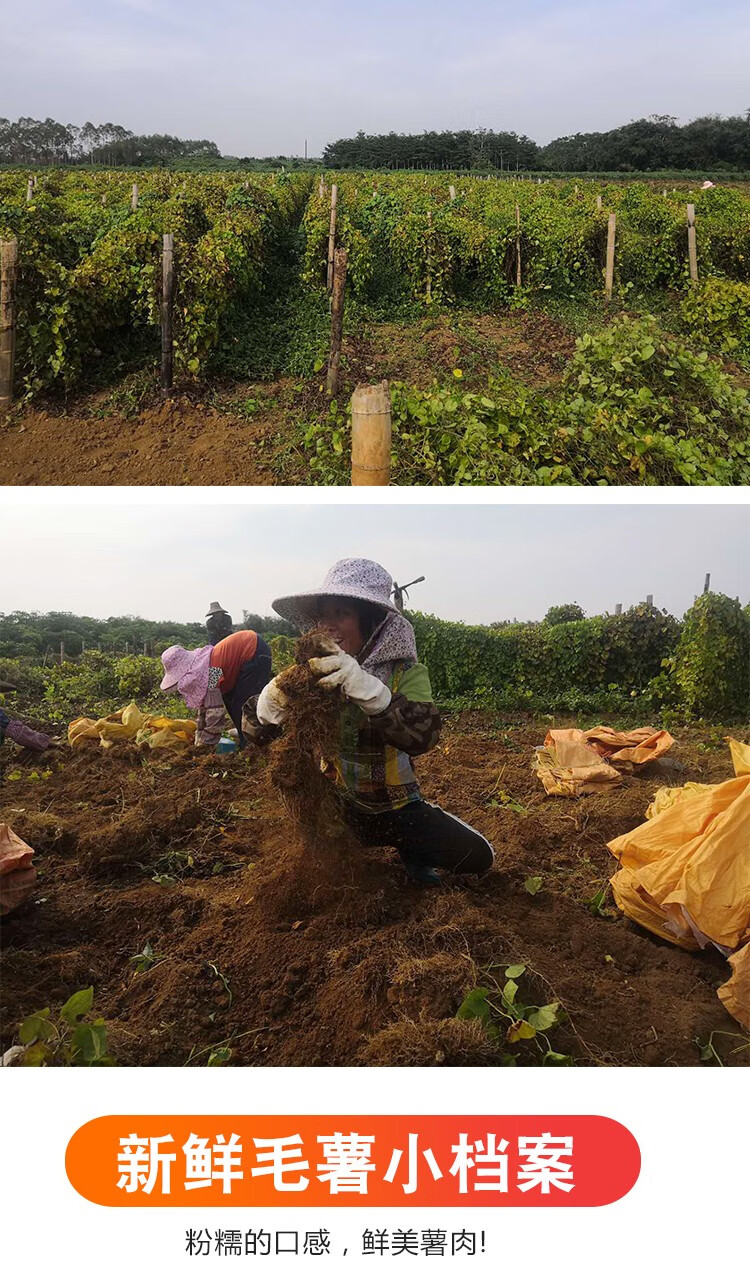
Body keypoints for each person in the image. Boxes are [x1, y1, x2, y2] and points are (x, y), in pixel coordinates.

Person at [242, 558, 494, 886]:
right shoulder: (312, 676)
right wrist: (265, 709)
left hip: (397, 810)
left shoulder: (405, 674)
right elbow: (258, 737)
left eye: (341, 614)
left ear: (372, 620)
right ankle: (334, 858)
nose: (328, 625)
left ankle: (413, 850)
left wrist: (371, 693)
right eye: (324, 614)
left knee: (478, 856)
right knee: (319, 837)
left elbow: (424, 737)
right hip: (338, 810)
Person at [161, 629, 272, 747]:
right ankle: (244, 734)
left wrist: (206, 743)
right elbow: (205, 708)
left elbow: (215, 711)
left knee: (243, 704)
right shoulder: (206, 665)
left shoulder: (212, 671)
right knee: (229, 700)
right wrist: (200, 735)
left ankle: (257, 742)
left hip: (254, 651)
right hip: (249, 649)